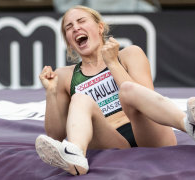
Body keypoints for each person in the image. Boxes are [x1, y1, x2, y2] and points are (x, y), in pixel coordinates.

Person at [35, 5, 195, 176]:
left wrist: (112, 63)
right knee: (80, 99)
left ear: (100, 27)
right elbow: (55, 135)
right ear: (69, 41)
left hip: (151, 135)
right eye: (69, 27)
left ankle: (189, 125)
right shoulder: (64, 76)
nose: (76, 28)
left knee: (127, 89)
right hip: (112, 142)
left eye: (81, 21)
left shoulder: (130, 54)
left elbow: (146, 100)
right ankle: (76, 156)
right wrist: (51, 93)